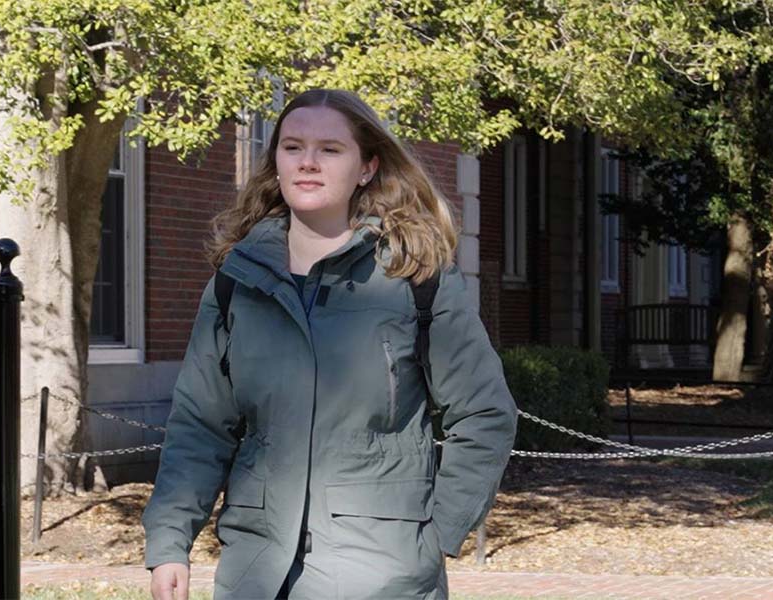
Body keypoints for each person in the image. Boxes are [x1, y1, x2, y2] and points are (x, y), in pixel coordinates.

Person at [142, 88, 518, 600]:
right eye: (293, 147)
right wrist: (169, 541)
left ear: (367, 167)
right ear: (275, 161)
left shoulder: (416, 275)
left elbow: (484, 414)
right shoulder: (238, 279)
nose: (309, 162)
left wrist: (437, 537)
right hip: (255, 573)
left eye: (330, 149)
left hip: (381, 574)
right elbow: (200, 423)